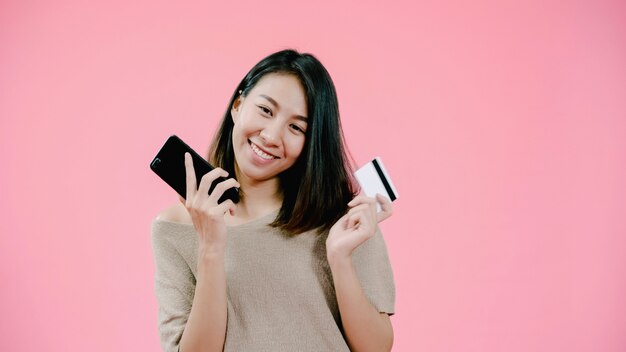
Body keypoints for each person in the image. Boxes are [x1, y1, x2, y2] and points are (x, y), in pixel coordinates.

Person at [152, 49, 395, 352]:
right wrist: (211, 247)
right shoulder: (175, 229)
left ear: (311, 142)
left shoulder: (345, 219)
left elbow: (376, 349)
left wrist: (340, 258)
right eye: (266, 110)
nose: (271, 136)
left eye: (296, 127)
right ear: (238, 106)